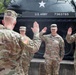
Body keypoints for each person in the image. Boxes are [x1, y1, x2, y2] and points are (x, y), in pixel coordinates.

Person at [0, 10, 41, 75]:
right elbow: (34, 48)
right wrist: (36, 33)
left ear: (3, 21)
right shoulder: (20, 37)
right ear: (15, 22)